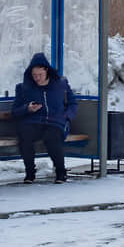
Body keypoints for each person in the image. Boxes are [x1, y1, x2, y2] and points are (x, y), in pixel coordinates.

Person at [12, 53, 78, 184]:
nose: (37, 78)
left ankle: (61, 172)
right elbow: (14, 111)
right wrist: (27, 109)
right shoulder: (23, 88)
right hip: (33, 121)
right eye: (34, 75)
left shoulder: (60, 84)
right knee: (24, 136)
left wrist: (66, 117)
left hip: (56, 122)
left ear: (46, 70)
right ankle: (30, 172)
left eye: (40, 75)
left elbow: (72, 103)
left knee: (52, 138)